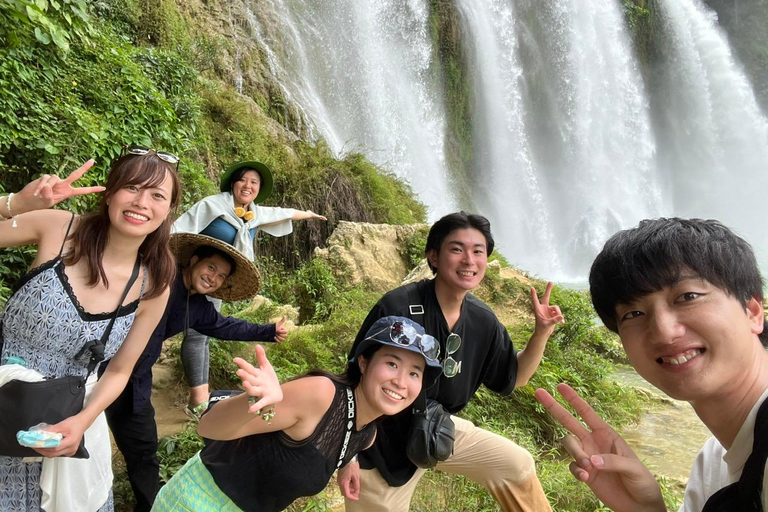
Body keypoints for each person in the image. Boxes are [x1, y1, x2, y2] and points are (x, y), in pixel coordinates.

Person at [535, 218, 768, 512]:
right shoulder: (713, 462)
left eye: (688, 296)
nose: (663, 331)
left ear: (752, 312)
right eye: (633, 313)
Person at [339, 211, 566, 512]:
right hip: (378, 443)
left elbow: (516, 377)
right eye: (457, 249)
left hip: (435, 429)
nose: (469, 261)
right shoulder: (398, 307)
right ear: (434, 256)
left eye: (478, 251)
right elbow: (352, 381)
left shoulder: (483, 321)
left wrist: (541, 333)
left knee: (516, 465)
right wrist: (349, 455)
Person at [0, 147, 181, 512]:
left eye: (157, 195)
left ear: (168, 210)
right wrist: (16, 202)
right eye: (131, 187)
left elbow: (119, 369)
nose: (141, 201)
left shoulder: (153, 284)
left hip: (61, 423)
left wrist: (82, 422)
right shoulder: (60, 228)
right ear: (111, 193)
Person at [151, 316, 443, 512]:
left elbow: (345, 436)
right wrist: (253, 401)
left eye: (414, 373)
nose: (401, 382)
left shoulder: (367, 433)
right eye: (392, 364)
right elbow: (209, 427)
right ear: (364, 362)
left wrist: (348, 461)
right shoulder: (321, 394)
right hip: (196, 501)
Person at [102, 232, 289, 512]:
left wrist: (269, 331)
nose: (214, 278)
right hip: (98, 366)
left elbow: (227, 327)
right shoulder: (159, 275)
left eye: (221, 276)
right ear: (193, 260)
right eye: (211, 268)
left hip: (135, 381)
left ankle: (151, 507)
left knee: (144, 451)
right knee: (82, 439)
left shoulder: (199, 308)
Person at [172, 160, 326, 413]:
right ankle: (198, 399)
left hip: (214, 284)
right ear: (233, 184)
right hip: (190, 274)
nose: (248, 185)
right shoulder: (213, 205)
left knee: (202, 332)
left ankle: (198, 397)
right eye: (243, 180)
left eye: (254, 182)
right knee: (194, 332)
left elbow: (281, 212)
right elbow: (180, 228)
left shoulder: (254, 215)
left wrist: (307, 214)